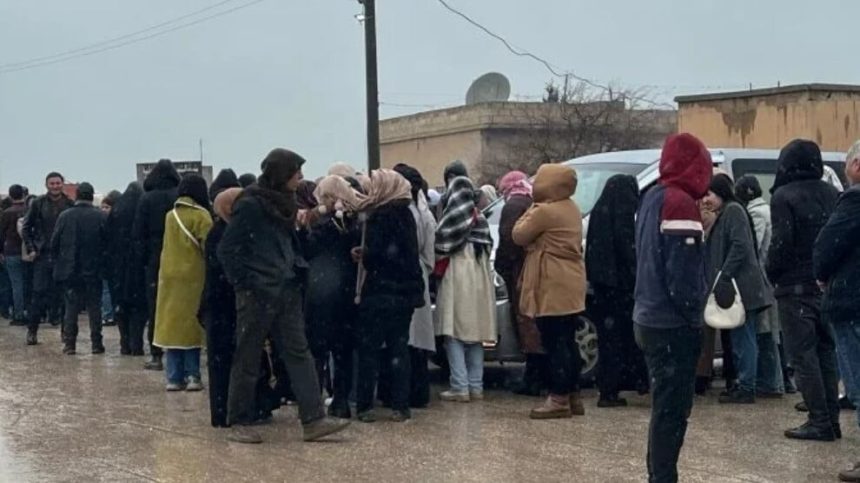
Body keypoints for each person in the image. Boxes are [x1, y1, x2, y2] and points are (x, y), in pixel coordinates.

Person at [218, 148, 349, 443]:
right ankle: (239, 419)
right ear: (282, 173)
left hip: (286, 289)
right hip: (257, 293)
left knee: (299, 352)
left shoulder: (284, 203)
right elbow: (228, 249)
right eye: (295, 171)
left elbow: (289, 243)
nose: (300, 176)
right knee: (248, 355)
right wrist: (247, 283)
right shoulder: (251, 204)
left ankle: (313, 419)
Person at [634, 133, 711, 483]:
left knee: (663, 406)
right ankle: (663, 477)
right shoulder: (680, 203)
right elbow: (683, 274)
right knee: (673, 410)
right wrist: (695, 315)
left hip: (648, 315)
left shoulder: (652, 197)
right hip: (672, 323)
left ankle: (659, 473)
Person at [767, 139, 840, 442]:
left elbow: (781, 243)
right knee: (826, 352)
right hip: (826, 284)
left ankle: (818, 420)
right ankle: (832, 419)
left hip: (794, 287)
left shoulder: (783, 196)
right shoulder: (832, 194)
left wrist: (772, 272)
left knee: (803, 356)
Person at [349, 169, 425, 422]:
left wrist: (364, 254)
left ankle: (365, 406)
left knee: (369, 349)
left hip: (380, 292)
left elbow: (378, 256)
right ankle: (400, 405)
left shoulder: (379, 216)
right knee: (399, 348)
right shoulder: (407, 214)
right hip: (405, 293)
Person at [513, 164, 587, 419]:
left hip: (551, 282)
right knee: (567, 340)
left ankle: (558, 397)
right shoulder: (572, 207)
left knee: (554, 341)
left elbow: (518, 234)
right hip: (571, 280)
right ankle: (573, 394)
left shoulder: (544, 211)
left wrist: (532, 209)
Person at [700, 174, 775, 404]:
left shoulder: (733, 211)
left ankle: (747, 386)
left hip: (741, 287)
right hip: (738, 286)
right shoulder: (727, 212)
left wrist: (724, 275)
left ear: (720, 193)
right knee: (741, 336)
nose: (705, 200)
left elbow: (740, 245)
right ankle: (745, 383)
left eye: (709, 194)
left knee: (744, 337)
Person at [814, 140, 860, 482]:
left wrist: (821, 273)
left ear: (856, 165)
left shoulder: (855, 200)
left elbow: (828, 245)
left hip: (852, 302)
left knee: (857, 382)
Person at [300, 176, 360, 418]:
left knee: (317, 352)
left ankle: (313, 403)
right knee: (343, 352)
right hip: (346, 292)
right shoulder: (355, 222)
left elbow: (307, 251)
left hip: (319, 294)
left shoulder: (318, 223)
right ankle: (341, 401)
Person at [586, 174, 648, 407]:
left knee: (608, 338)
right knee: (623, 336)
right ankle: (620, 383)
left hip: (603, 287)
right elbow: (627, 249)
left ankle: (609, 386)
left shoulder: (599, 212)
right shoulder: (622, 214)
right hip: (621, 287)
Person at [435, 171, 496, 403]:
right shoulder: (480, 219)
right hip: (479, 280)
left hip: (457, 278)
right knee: (475, 334)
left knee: (454, 332)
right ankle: (476, 386)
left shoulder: (451, 219)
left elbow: (440, 246)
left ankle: (459, 386)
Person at [152, 175, 213, 391]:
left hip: (169, 277)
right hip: (193, 277)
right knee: (191, 328)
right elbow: (209, 247)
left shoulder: (170, 216)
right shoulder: (202, 216)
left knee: (172, 328)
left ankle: (173, 377)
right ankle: (193, 376)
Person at [495, 171, 547, 396]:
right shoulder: (531, 201)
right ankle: (541, 375)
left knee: (526, 322)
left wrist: (503, 268)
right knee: (535, 322)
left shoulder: (512, 206)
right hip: (535, 269)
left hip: (519, 271)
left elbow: (508, 241)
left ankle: (533, 378)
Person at [735, 175, 786, 397]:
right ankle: (778, 382)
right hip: (770, 279)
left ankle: (770, 382)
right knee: (772, 332)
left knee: (764, 332)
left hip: (762, 278)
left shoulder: (756, 213)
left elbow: (752, 246)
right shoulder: (767, 209)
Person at [393, 163, 437, 408]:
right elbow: (430, 253)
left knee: (405, 338)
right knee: (417, 338)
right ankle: (418, 392)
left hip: (405, 274)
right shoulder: (424, 213)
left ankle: (403, 392)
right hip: (419, 273)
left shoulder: (401, 213)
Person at [132, 159, 181, 370]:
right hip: (180, 255)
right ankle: (181, 353)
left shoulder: (146, 199)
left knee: (156, 307)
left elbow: (138, 233)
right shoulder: (180, 196)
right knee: (180, 306)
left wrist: (143, 260)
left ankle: (156, 353)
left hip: (155, 257)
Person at [50, 183, 106, 355]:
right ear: (91, 196)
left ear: (76, 195)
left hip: (70, 269)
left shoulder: (65, 216)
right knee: (94, 307)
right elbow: (108, 243)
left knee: (71, 308)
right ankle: (96, 343)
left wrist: (58, 262)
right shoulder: (100, 216)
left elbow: (54, 242)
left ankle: (70, 344)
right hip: (94, 269)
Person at [22, 172, 74, 345]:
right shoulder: (38, 203)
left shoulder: (69, 204)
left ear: (62, 184)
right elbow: (26, 227)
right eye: (52, 183)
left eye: (58, 183)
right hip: (43, 255)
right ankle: (32, 331)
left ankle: (66, 333)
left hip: (63, 256)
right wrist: (31, 248)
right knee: (38, 294)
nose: (55, 186)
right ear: (46, 185)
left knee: (64, 296)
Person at [105, 182, 146, 355]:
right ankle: (137, 344)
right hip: (139, 267)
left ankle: (125, 343)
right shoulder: (143, 209)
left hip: (118, 267)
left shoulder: (117, 211)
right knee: (139, 307)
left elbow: (107, 239)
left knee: (121, 306)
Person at [0, 185, 29, 325]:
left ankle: (18, 314)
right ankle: (31, 311)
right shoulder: (29, 210)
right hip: (29, 251)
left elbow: (1, 234)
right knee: (28, 282)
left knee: (16, 284)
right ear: (23, 194)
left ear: (10, 196)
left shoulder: (7, 213)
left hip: (11, 251)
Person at [99, 190, 121, 327]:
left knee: (106, 289)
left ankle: (108, 315)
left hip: (107, 260)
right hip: (111, 260)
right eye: (102, 207)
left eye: (107, 207)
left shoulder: (103, 222)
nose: (104, 210)